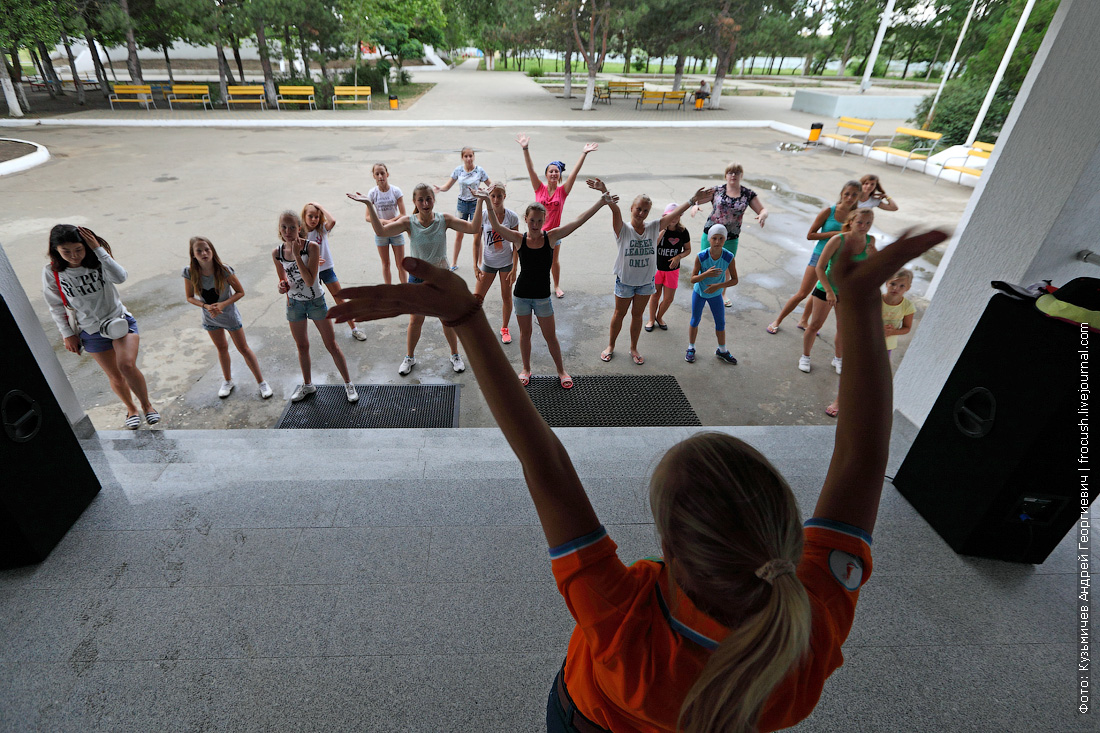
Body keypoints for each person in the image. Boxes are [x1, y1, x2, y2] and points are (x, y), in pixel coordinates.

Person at [326, 223, 948, 733]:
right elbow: (866, 459)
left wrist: (466, 318)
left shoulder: (631, 625)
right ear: (786, 533)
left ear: (670, 552)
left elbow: (862, 457)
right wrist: (866, 308)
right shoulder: (802, 638)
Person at [475, 186, 616, 388]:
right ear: (526, 219)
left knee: (551, 337)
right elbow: (496, 226)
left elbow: (577, 222)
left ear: (544, 221)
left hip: (542, 297)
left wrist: (601, 203)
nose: (535, 224)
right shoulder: (518, 238)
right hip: (522, 295)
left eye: (540, 221)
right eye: (532, 220)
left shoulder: (551, 237)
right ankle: (526, 369)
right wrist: (488, 202)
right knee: (525, 335)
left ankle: (561, 370)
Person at [350, 183, 482, 375]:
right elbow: (381, 232)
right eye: (420, 199)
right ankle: (409, 357)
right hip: (418, 279)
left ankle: (454, 354)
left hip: (441, 279)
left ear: (434, 200)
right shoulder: (409, 222)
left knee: (448, 320)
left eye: (428, 199)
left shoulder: (443, 220)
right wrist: (370, 205)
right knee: (415, 321)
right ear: (414, 202)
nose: (425, 203)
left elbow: (473, 227)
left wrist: (481, 201)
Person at [42, 224, 159, 429]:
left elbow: (121, 277)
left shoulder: (98, 261)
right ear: (56, 251)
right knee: (115, 375)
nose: (74, 256)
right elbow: (55, 305)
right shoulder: (52, 272)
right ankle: (131, 409)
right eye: (66, 251)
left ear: (86, 245)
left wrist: (98, 249)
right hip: (90, 330)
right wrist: (67, 334)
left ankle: (147, 406)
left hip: (120, 322)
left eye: (79, 249)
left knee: (127, 365)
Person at [588, 179, 708, 366]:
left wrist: (692, 200)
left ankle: (633, 348)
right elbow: (615, 210)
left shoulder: (653, 227)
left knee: (637, 316)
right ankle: (611, 346)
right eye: (638, 209)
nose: (642, 213)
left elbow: (674, 214)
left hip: (645, 283)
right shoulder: (623, 229)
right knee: (619, 314)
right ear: (632, 208)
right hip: (625, 281)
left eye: (645, 211)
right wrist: (604, 191)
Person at [271, 210, 358, 403]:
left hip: (316, 301)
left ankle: (348, 383)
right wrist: (281, 286)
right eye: (284, 227)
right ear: (279, 229)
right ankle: (308, 384)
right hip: (294, 304)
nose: (288, 231)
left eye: (292, 227)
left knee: (331, 344)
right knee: (302, 345)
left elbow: (310, 281)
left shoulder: (311, 247)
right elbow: (282, 280)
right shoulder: (277, 253)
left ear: (299, 228)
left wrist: (296, 256)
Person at [183, 236, 272, 400]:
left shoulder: (223, 270)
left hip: (229, 316)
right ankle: (227, 381)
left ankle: (262, 383)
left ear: (212, 251)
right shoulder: (189, 272)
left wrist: (222, 305)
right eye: (199, 251)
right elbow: (189, 297)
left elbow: (240, 292)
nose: (204, 253)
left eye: (207, 249)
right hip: (210, 317)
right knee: (222, 348)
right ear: (193, 254)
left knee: (243, 348)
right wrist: (206, 306)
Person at [768, 181, 860, 334]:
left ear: (859, 197)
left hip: (838, 260)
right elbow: (810, 235)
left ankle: (804, 320)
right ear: (842, 194)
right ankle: (777, 320)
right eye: (847, 194)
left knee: (819, 291)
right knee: (803, 293)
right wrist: (834, 235)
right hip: (820, 255)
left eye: (854, 195)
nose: (850, 198)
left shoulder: (856, 216)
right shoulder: (829, 212)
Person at [824, 266, 915, 418]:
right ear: (886, 282)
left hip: (884, 348)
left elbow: (906, 328)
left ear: (908, 288)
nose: (896, 288)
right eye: (893, 283)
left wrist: (893, 331)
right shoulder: (875, 299)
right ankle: (839, 401)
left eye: (902, 286)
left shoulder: (907, 307)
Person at [516, 134, 599, 299]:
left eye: (556, 172)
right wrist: (525, 148)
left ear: (559, 175)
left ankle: (556, 285)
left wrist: (584, 153)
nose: (553, 174)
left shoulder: (563, 191)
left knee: (553, 261)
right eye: (550, 171)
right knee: (533, 262)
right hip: (537, 232)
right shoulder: (539, 188)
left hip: (555, 234)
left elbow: (574, 173)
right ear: (546, 174)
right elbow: (530, 169)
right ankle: (533, 284)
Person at [800, 208, 877, 376]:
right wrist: (829, 291)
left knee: (843, 329)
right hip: (827, 288)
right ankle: (805, 356)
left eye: (868, 223)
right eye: (860, 222)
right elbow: (820, 267)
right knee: (815, 325)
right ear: (850, 222)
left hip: (849, 293)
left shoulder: (871, 240)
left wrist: (874, 255)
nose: (864, 226)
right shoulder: (837, 240)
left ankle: (838, 358)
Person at [692, 163, 768, 307]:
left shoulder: (747, 194)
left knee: (725, 266)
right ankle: (701, 290)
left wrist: (763, 215)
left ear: (741, 175)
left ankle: (721, 293)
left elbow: (763, 210)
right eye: (730, 172)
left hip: (731, 237)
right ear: (726, 175)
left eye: (737, 172)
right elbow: (697, 200)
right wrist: (695, 205)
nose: (733, 175)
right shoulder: (717, 190)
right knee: (705, 262)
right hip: (711, 234)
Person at [301, 201, 365, 341]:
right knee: (315, 303)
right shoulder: (302, 235)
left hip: (327, 269)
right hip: (312, 273)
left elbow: (333, 221)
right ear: (304, 217)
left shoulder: (322, 229)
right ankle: (321, 333)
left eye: (317, 217)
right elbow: (299, 256)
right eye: (310, 216)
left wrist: (320, 207)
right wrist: (312, 261)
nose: (313, 220)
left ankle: (354, 328)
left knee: (340, 299)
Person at [472, 182, 520, 344]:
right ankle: (475, 328)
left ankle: (505, 328)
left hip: (506, 263)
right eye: (493, 196)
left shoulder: (511, 217)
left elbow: (516, 244)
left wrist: (514, 267)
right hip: (488, 263)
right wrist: (475, 265)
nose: (496, 199)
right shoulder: (484, 215)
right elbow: (476, 240)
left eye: (499, 196)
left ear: (504, 197)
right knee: (477, 298)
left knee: (506, 296)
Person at [685, 224, 739, 365]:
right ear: (709, 239)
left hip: (716, 294)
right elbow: (692, 279)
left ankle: (722, 350)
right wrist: (706, 274)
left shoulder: (728, 257)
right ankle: (691, 347)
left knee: (720, 322)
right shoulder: (701, 256)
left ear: (725, 240)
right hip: (700, 292)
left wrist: (718, 286)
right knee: (695, 319)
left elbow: (735, 280)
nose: (717, 241)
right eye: (714, 238)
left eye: (721, 238)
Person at [434, 147, 490, 269]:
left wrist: (495, 189)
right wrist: (440, 188)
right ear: (462, 157)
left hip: (475, 204)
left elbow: (490, 185)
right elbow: (448, 185)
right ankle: (454, 262)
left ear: (474, 156)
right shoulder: (458, 170)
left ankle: (479, 263)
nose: (469, 159)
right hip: (462, 204)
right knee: (459, 234)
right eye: (466, 156)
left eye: (471, 156)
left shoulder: (479, 171)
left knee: (477, 234)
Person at [645, 203, 691, 333]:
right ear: (665, 216)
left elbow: (688, 250)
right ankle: (651, 319)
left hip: (672, 270)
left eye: (676, 215)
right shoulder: (660, 229)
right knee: (655, 295)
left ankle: (659, 317)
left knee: (668, 298)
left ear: (680, 216)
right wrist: (663, 229)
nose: (673, 218)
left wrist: (678, 257)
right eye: (670, 215)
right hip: (657, 268)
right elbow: (653, 245)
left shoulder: (683, 231)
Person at [366, 163, 407, 285]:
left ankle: (405, 288)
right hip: (381, 232)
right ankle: (388, 290)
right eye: (377, 174)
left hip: (396, 231)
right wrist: (384, 222)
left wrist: (392, 223)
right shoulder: (372, 193)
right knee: (385, 263)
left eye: (382, 173)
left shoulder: (395, 191)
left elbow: (403, 213)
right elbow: (368, 217)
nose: (380, 176)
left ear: (387, 174)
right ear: (373, 176)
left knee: (401, 264)